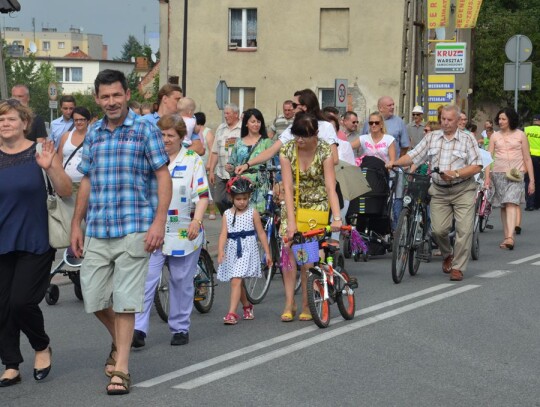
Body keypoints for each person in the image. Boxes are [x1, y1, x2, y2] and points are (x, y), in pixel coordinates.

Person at [70, 69, 172, 396]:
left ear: (127, 94)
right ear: (97, 99)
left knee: (126, 301)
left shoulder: (145, 129)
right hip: (98, 227)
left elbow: (162, 176)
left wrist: (159, 222)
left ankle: (123, 368)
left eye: (117, 95)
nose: (111, 102)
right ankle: (120, 340)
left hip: (135, 225)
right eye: (105, 97)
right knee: (94, 296)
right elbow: (86, 179)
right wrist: (76, 223)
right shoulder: (95, 133)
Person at [0, 99, 72, 387]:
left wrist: (50, 168)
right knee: (2, 306)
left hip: (36, 239)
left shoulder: (41, 152)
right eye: (1, 119)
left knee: (21, 302)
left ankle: (41, 346)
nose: (5, 123)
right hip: (2, 241)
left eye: (11, 119)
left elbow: (66, 190)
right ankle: (11, 364)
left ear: (25, 123)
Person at [132, 114, 209, 348]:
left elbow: (203, 195)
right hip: (154, 229)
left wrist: (197, 221)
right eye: (162, 134)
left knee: (180, 281)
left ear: (181, 137)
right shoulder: (149, 158)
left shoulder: (192, 159)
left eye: (170, 135)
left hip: (184, 231)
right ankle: (138, 329)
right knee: (146, 281)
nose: (165, 139)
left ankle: (180, 327)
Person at [386, 105, 483, 282]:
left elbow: (477, 165)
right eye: (443, 119)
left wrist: (455, 173)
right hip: (439, 190)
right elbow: (414, 155)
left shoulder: (468, 139)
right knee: (438, 230)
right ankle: (448, 254)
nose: (445, 123)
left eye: (449, 120)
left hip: (463, 189)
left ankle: (458, 267)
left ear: (457, 120)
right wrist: (395, 163)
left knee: (464, 229)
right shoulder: (431, 138)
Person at [279, 112, 342, 321]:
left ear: (314, 133)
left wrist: (337, 218)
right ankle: (290, 301)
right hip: (293, 204)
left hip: (316, 207)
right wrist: (291, 222)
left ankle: (307, 302)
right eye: (296, 135)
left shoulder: (324, 150)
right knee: (288, 251)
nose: (299, 140)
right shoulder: (287, 150)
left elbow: (330, 187)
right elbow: (287, 187)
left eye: (303, 136)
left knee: (306, 258)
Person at [235, 89, 339, 176]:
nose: (292, 108)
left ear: (304, 107)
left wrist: (306, 167)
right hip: (298, 183)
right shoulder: (293, 128)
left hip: (321, 183)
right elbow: (271, 151)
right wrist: (247, 164)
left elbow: (334, 159)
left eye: (294, 105)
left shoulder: (326, 126)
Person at [217, 177, 271, 325]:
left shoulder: (252, 213)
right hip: (232, 249)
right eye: (239, 198)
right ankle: (247, 306)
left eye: (245, 198)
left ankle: (232, 313)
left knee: (236, 280)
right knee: (237, 282)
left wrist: (267, 253)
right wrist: (221, 250)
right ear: (232, 198)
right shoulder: (227, 214)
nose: (242, 202)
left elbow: (260, 233)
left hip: (247, 249)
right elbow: (223, 234)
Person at [484, 107, 534, 250]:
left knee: (511, 202)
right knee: (504, 205)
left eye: (504, 119)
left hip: (516, 175)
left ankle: (510, 237)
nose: (500, 121)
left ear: (511, 119)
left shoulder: (520, 135)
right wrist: (487, 177)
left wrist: (532, 180)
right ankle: (507, 236)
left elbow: (527, 158)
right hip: (498, 175)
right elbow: (488, 158)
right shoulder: (494, 136)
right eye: (499, 119)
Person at [227, 108, 273, 213]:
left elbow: (271, 165)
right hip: (242, 187)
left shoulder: (266, 142)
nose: (256, 124)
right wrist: (230, 167)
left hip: (260, 186)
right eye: (253, 121)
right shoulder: (238, 142)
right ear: (246, 123)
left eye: (258, 121)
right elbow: (232, 163)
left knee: (260, 216)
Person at [208, 103, 242, 215]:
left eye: (228, 113)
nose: (225, 116)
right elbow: (214, 151)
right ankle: (227, 217)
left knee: (233, 200)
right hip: (221, 172)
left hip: (236, 173)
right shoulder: (220, 128)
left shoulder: (243, 129)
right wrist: (211, 171)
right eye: (225, 113)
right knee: (218, 199)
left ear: (236, 114)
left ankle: (233, 222)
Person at [57, 106, 91, 184]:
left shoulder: (94, 137)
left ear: (88, 120)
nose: (78, 122)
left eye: (82, 119)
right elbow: (59, 159)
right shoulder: (66, 136)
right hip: (66, 182)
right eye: (76, 120)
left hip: (87, 184)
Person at [195, 111, 217, 219]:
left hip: (206, 164)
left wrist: (209, 163)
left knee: (208, 188)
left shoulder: (208, 132)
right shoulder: (194, 131)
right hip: (196, 164)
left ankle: (212, 211)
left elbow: (212, 148)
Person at [524, 114, 540, 211]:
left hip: (528, 157)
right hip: (539, 158)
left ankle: (529, 204)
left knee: (528, 180)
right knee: (538, 181)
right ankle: (537, 204)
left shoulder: (526, 130)